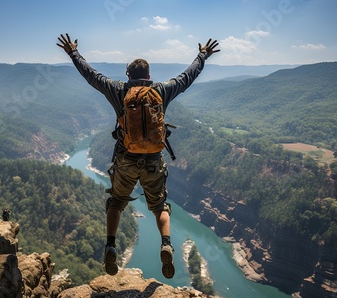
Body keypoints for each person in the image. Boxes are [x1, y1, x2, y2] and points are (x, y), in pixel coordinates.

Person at [56, 33, 220, 279]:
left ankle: (111, 245)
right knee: (159, 206)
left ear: (128, 75)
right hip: (154, 161)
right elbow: (187, 76)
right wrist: (202, 55)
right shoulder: (162, 91)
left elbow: (91, 75)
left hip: (126, 160)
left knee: (117, 202)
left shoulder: (119, 91)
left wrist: (73, 53)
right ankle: (166, 243)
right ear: (149, 76)